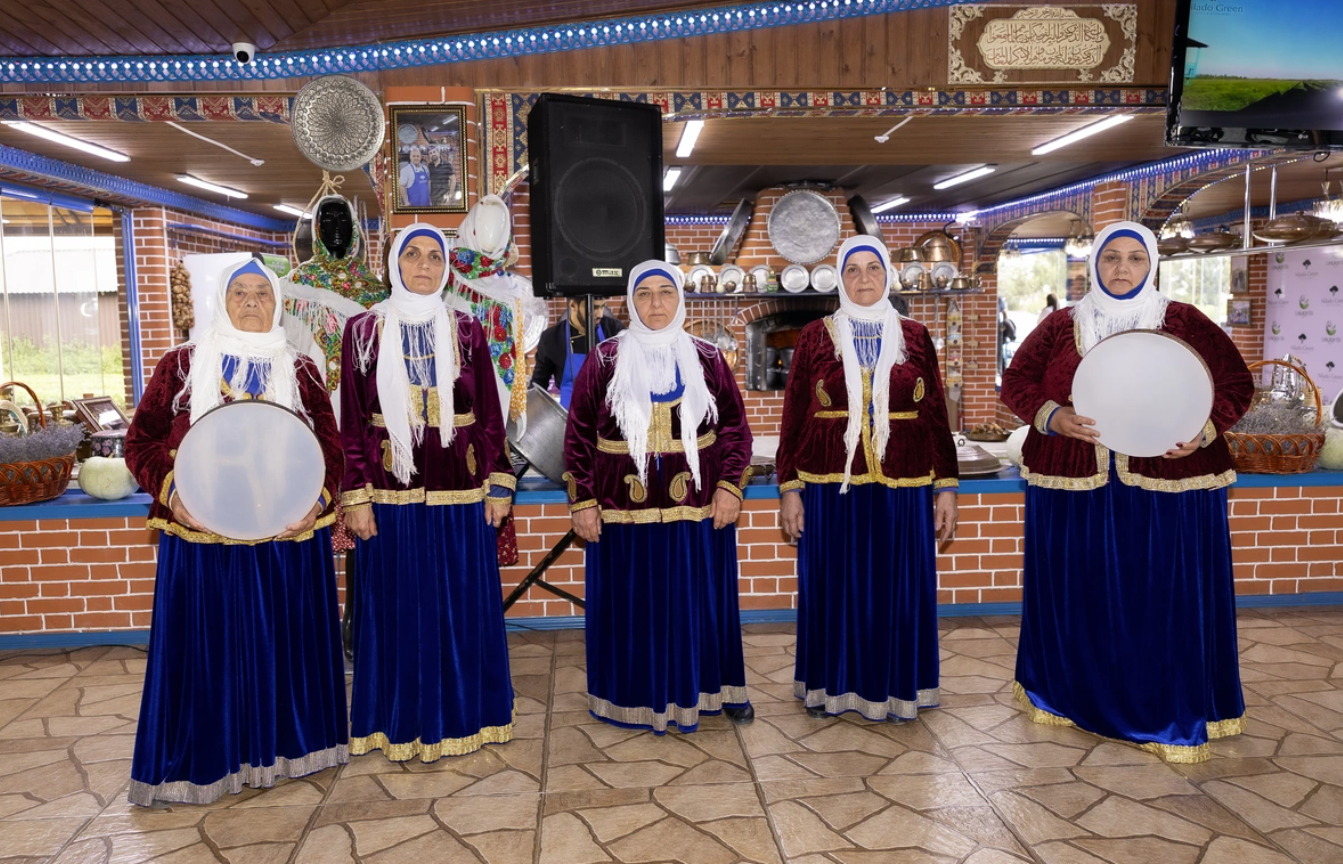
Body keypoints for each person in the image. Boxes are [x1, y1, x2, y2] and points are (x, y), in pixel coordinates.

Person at [1000, 221, 1254, 762]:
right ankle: (1071, 696)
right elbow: (1016, 382)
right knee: (1079, 596)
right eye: (1110, 257)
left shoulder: (1184, 321)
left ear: (1152, 264)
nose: (1121, 268)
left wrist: (1201, 431)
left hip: (1167, 489)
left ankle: (1162, 709)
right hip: (1074, 489)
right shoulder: (1060, 325)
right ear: (1093, 264)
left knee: (1160, 601)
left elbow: (1235, 385)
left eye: (1135, 258)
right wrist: (1052, 416)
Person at [124, 259, 346, 805]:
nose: (251, 302)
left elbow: (333, 448)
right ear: (220, 302)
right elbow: (141, 442)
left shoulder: (301, 370)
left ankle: (286, 750)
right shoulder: (181, 366)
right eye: (240, 293)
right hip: (203, 546)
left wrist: (317, 500)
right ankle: (208, 758)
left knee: (283, 650)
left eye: (262, 294)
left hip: (286, 543)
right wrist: (175, 497)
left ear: (277, 304)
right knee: (209, 657)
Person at [340, 224, 517, 762]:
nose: (423, 265)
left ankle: (469, 716)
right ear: (394, 263)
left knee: (461, 608)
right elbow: (350, 421)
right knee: (394, 609)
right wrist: (356, 496)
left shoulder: (467, 330)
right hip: (387, 494)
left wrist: (499, 485)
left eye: (433, 257)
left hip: (461, 492)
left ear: (446, 268)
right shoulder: (363, 330)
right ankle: (395, 721)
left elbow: (490, 413)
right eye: (412, 255)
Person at [563, 261, 754, 733]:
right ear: (629, 302)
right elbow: (578, 436)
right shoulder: (604, 359)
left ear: (680, 300)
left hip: (698, 510)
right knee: (631, 609)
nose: (655, 303)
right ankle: (631, 696)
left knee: (700, 605)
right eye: (644, 293)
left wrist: (730, 488)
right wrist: (583, 501)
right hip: (622, 512)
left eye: (665, 292)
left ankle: (713, 690)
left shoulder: (709, 358)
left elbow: (734, 429)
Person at [777, 235, 958, 722]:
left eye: (872, 269)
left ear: (887, 275)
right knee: (835, 586)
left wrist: (946, 487)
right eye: (852, 270)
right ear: (840, 278)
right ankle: (833, 686)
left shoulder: (916, 337)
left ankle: (898, 688)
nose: (862, 279)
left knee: (899, 588)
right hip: (830, 485)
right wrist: (789, 488)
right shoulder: (815, 336)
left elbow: (937, 416)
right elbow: (793, 417)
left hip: (904, 483)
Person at [446, 194, 536, 565]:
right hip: (452, 402)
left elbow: (519, 350)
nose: (491, 232)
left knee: (489, 493)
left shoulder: (515, 288)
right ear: (469, 227)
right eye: (483, 223)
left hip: (497, 395)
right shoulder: (445, 279)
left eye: (500, 225)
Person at [531, 296, 625, 409]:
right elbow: (539, 385)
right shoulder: (552, 338)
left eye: (602, 306)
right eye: (594, 308)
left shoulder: (614, 330)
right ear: (573, 305)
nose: (600, 314)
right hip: (569, 418)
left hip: (608, 416)